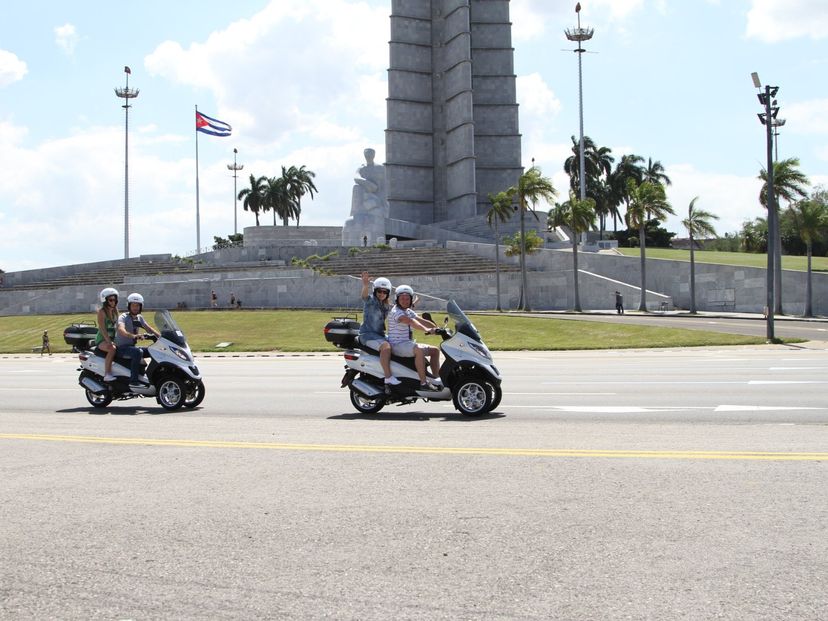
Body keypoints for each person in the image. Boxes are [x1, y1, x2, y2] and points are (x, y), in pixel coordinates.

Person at [387, 284, 442, 390]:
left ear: (411, 300)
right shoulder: (396, 312)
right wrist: (426, 330)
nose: (405, 300)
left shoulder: (408, 311)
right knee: (418, 350)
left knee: (435, 350)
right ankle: (423, 383)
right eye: (402, 298)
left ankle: (436, 379)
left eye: (407, 298)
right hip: (397, 345)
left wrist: (437, 328)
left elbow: (421, 320)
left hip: (407, 344)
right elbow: (411, 322)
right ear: (397, 299)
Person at [358, 272, 398, 386]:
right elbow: (364, 297)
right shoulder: (371, 301)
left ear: (388, 293)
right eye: (379, 291)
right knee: (386, 347)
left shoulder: (385, 305)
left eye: (384, 292)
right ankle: (388, 377)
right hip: (367, 334)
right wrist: (365, 285)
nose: (381, 294)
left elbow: (397, 310)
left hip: (379, 335)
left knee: (397, 342)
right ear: (375, 291)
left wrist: (411, 304)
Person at [115, 292, 160, 389]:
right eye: (133, 305)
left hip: (131, 347)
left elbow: (149, 329)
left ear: (141, 307)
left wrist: (161, 337)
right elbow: (121, 330)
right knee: (137, 352)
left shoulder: (139, 318)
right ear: (129, 306)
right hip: (121, 348)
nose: (135, 308)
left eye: (137, 306)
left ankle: (153, 376)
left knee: (154, 350)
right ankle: (134, 381)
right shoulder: (123, 317)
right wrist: (134, 336)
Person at [95, 287, 120, 380]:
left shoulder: (115, 311)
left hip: (112, 338)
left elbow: (118, 326)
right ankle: (107, 374)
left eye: (115, 299)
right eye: (111, 300)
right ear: (105, 300)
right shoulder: (102, 312)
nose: (113, 302)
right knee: (112, 349)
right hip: (102, 339)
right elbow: (102, 329)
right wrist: (109, 341)